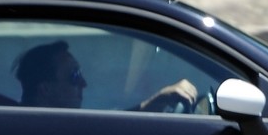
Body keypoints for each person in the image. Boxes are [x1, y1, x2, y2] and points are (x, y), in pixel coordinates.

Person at [13, 40, 198, 111]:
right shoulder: (46, 134)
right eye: (74, 76)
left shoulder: (56, 127)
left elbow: (114, 127)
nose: (83, 83)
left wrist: (160, 99)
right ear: (45, 89)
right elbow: (117, 133)